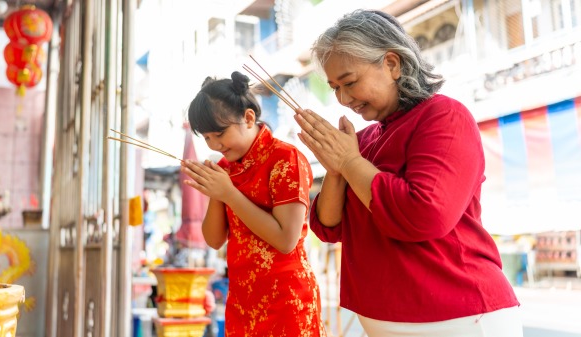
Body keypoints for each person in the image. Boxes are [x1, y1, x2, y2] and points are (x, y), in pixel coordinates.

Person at [293, 9, 522, 337]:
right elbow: (328, 227)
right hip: (387, 318)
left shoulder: (444, 116)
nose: (343, 99)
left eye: (350, 82)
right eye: (334, 88)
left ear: (391, 63)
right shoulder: (362, 142)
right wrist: (337, 168)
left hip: (461, 315)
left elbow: (425, 214)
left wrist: (349, 163)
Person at [181, 71, 326, 336]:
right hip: (242, 299)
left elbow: (285, 240)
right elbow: (214, 240)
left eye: (219, 133)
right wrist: (217, 190)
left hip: (287, 299)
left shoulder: (285, 159)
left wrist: (229, 195)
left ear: (248, 118)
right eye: (207, 138)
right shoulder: (225, 168)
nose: (214, 144)